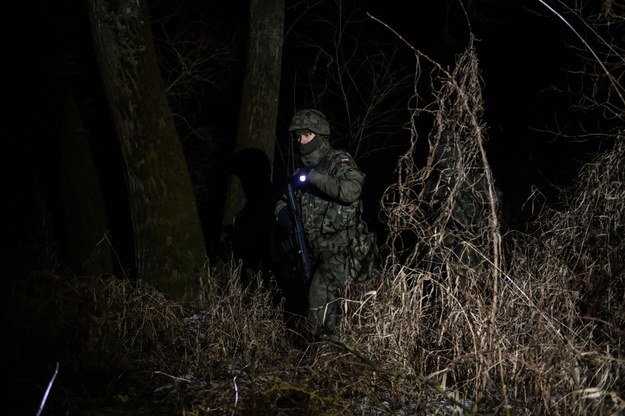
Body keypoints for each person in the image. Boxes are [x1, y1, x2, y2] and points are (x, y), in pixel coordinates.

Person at [274, 109, 377, 340]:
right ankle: (323, 344)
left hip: (342, 249)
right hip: (313, 251)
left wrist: (312, 177)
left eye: (306, 135)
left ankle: (325, 349)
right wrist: (283, 214)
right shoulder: (299, 172)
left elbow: (351, 191)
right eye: (298, 136)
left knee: (319, 293)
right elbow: (283, 199)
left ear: (320, 136)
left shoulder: (336, 161)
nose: (301, 141)